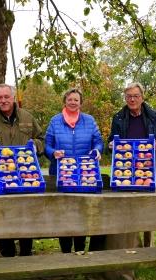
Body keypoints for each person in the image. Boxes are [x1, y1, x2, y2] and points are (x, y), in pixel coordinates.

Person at [0, 83, 44, 257]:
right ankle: (7, 253)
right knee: (3, 214)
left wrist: (35, 146)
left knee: (25, 214)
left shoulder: (27, 117)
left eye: (6, 97)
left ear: (13, 97)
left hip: (26, 175)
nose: (3, 100)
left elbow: (41, 139)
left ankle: (26, 252)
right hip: (1, 176)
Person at [107, 82, 156, 248]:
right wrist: (110, 145)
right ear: (125, 98)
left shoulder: (155, 117)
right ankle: (131, 245)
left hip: (149, 169)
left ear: (142, 97)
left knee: (149, 209)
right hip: (126, 170)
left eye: (135, 96)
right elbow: (111, 140)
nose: (132, 99)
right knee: (128, 208)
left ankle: (149, 246)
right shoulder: (118, 117)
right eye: (128, 96)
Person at [45, 88, 103, 253]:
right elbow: (47, 145)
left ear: (80, 103)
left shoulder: (89, 121)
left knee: (82, 211)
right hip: (61, 173)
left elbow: (98, 141)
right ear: (65, 101)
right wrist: (53, 153)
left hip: (85, 174)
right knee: (63, 212)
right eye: (70, 99)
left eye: (76, 100)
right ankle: (65, 250)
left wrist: (98, 150)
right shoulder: (55, 121)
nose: (73, 102)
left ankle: (79, 248)